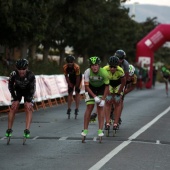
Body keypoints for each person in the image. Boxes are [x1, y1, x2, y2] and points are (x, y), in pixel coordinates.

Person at [5, 59, 36, 138]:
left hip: (28, 91)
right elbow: (10, 87)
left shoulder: (31, 75)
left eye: (23, 69)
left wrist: (28, 101)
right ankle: (9, 129)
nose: (21, 71)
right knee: (13, 107)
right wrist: (15, 99)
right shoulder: (13, 74)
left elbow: (33, 89)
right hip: (18, 91)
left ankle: (27, 129)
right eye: (19, 69)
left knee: (28, 107)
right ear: (16, 68)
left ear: (27, 68)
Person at [81, 56, 109, 138]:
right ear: (90, 66)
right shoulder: (87, 72)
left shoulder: (104, 73)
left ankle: (100, 129)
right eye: (92, 65)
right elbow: (86, 87)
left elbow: (107, 87)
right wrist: (94, 97)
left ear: (99, 65)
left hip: (101, 88)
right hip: (90, 88)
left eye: (96, 65)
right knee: (89, 106)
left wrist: (103, 99)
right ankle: (85, 129)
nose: (94, 67)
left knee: (100, 107)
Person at [103, 55, 126, 131]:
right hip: (108, 84)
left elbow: (123, 83)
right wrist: (108, 92)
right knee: (108, 102)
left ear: (117, 66)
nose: (112, 68)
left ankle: (116, 123)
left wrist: (118, 93)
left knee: (117, 102)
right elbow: (103, 82)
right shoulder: (104, 69)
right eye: (111, 67)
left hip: (118, 84)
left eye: (114, 67)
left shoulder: (120, 70)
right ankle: (107, 122)